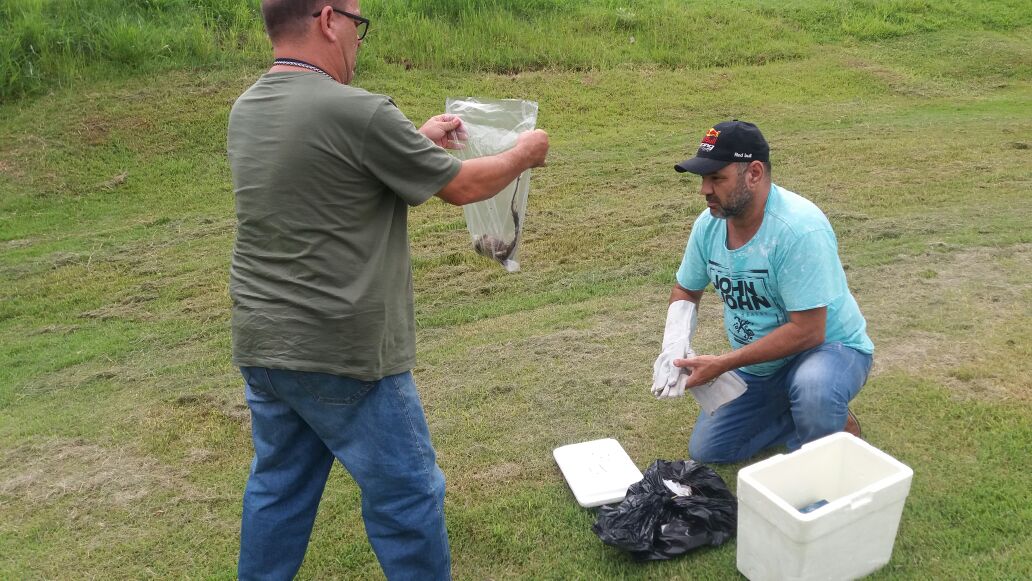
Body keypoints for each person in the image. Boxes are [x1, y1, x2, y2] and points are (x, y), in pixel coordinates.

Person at [226, 1, 549, 579]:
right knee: (407, 496)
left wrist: (415, 138)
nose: (358, 38)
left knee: (278, 490)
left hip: (264, 343)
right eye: (357, 22)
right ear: (328, 20)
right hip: (344, 352)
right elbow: (463, 186)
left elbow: (331, 172)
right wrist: (524, 152)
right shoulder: (358, 111)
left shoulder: (248, 108)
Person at [651, 120, 873, 465]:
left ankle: (823, 429)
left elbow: (809, 330)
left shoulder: (799, 229)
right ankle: (805, 415)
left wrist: (724, 363)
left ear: (753, 173)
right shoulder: (708, 226)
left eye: (717, 178)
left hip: (829, 348)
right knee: (709, 450)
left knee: (814, 388)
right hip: (763, 363)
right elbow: (686, 288)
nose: (704, 190)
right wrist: (674, 344)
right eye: (703, 179)